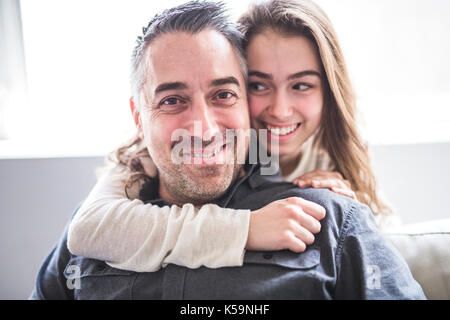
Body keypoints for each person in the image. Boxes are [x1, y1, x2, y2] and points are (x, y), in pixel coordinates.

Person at [31, 0, 425, 300]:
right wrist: (246, 230)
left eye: (223, 93)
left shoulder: (332, 215)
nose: (202, 128)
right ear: (138, 117)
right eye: (172, 100)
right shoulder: (98, 227)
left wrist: (348, 211)